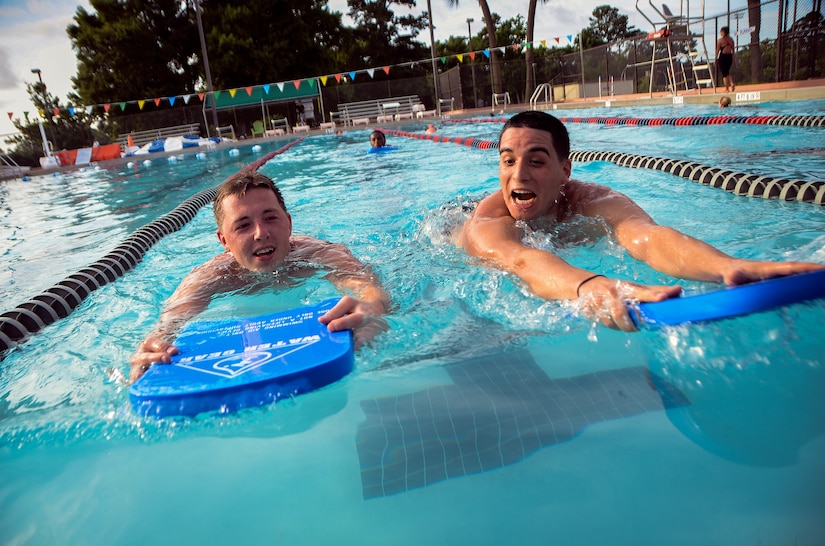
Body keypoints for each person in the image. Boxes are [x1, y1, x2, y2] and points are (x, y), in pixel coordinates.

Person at [455, 111, 823, 331]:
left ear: (565, 169)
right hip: (451, 226)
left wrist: (727, 266)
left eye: (536, 161)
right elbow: (522, 260)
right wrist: (592, 285)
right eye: (507, 160)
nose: (518, 175)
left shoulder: (592, 200)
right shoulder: (487, 221)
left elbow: (647, 237)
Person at [130, 171, 390, 382]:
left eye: (270, 217)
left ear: (288, 222)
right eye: (243, 225)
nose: (260, 233)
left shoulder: (318, 254)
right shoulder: (211, 278)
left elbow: (368, 287)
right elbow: (170, 324)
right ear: (223, 241)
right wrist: (153, 349)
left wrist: (371, 309)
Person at [716, 27, 736, 92]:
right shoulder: (731, 40)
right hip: (729, 56)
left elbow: (718, 50)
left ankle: (726, 88)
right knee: (727, 71)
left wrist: (715, 58)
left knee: (724, 73)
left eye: (721, 32)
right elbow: (733, 50)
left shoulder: (720, 41)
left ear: (724, 32)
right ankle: (732, 83)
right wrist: (733, 58)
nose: (720, 33)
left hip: (723, 57)